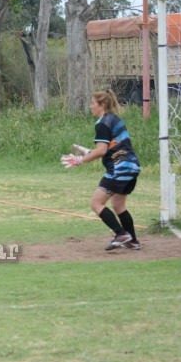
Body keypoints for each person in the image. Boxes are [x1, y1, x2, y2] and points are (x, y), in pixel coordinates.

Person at [61, 90, 141, 251]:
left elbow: (102, 151)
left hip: (119, 169)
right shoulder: (114, 120)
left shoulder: (102, 123)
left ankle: (121, 234)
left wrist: (79, 160)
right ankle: (132, 241)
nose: (90, 107)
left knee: (96, 203)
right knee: (118, 205)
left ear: (102, 105)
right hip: (132, 167)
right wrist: (88, 152)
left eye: (92, 103)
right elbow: (111, 148)